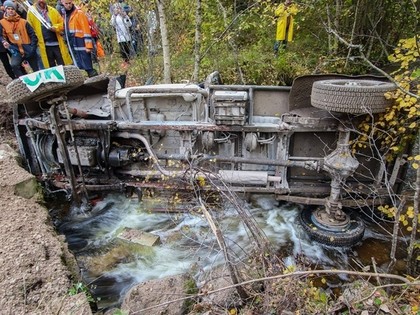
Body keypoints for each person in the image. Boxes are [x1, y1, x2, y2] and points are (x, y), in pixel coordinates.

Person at [27, 0, 72, 68]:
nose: (41, 0)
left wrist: (55, 28)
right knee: (50, 67)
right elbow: (30, 29)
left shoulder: (52, 10)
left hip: (57, 43)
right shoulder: (32, 12)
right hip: (44, 46)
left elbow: (62, 24)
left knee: (63, 64)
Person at [0, 0, 39, 77]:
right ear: (6, 9)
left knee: (36, 69)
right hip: (16, 49)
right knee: (14, 65)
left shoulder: (23, 22)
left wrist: (32, 48)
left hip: (28, 47)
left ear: (15, 10)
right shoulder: (2, 23)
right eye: (9, 9)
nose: (10, 11)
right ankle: (23, 82)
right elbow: (1, 35)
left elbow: (33, 35)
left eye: (12, 9)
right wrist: (4, 41)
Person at [60, 0, 97, 77]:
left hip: (80, 41)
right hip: (72, 42)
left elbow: (86, 30)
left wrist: (88, 45)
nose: (68, 5)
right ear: (62, 3)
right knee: (77, 62)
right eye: (66, 4)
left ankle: (93, 76)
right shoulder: (64, 14)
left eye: (70, 3)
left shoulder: (79, 13)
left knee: (86, 63)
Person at [0, 4, 15, 78]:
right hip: (0, 46)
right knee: (5, 63)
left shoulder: (2, 14)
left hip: (9, 40)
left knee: (15, 58)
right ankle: (13, 77)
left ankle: (22, 73)